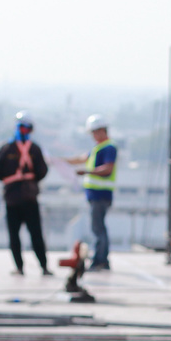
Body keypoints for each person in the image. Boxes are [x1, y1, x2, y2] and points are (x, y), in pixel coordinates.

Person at [0, 111, 50, 276]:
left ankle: (35, 266)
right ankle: (31, 267)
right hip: (20, 198)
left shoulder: (10, 148)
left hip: (19, 198)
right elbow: (42, 172)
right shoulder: (24, 149)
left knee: (32, 234)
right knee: (22, 235)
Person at [65, 114, 116, 270]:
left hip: (101, 194)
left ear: (101, 131)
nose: (93, 136)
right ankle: (100, 259)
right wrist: (59, 161)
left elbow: (108, 168)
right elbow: (80, 159)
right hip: (95, 195)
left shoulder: (109, 148)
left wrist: (87, 172)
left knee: (98, 228)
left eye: (94, 132)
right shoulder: (97, 148)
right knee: (98, 227)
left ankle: (101, 260)